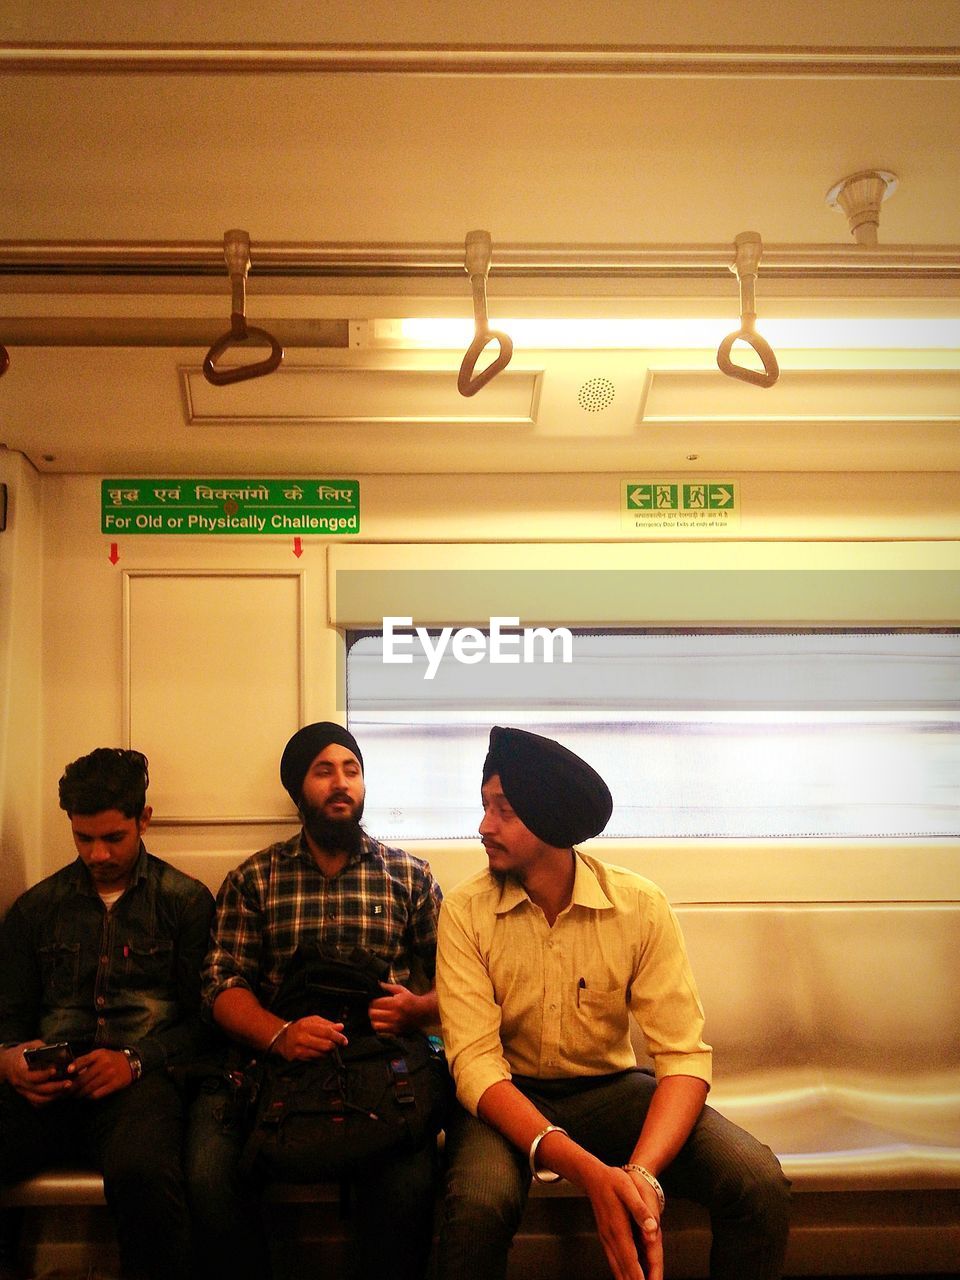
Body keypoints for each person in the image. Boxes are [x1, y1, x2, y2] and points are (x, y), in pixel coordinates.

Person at [436, 726, 791, 1280]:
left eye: (503, 810)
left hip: (608, 1090)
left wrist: (641, 1174)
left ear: (548, 818)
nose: (484, 827)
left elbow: (681, 1055)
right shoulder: (465, 911)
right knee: (479, 1204)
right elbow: (476, 1066)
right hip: (508, 1093)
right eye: (484, 807)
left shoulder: (638, 906)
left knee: (757, 1180)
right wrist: (591, 1174)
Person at [188, 722, 443, 1280]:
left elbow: (466, 980)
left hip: (383, 1065)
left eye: (351, 770)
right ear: (298, 790)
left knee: (410, 1179)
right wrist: (279, 1034)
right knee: (208, 1173)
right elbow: (220, 984)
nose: (340, 784)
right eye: (323, 771)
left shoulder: (409, 876)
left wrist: (417, 1010)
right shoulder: (254, 878)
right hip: (273, 1066)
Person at [0, 748, 215, 1280]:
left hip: (139, 1084)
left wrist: (136, 1060)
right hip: (50, 1083)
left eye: (113, 838)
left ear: (144, 820)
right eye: (83, 838)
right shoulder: (36, 908)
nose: (97, 854)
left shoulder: (184, 902)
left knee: (144, 1174)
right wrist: (8, 1060)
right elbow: (10, 1014)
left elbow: (206, 1024)